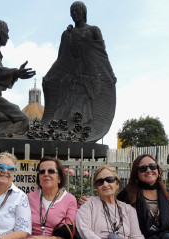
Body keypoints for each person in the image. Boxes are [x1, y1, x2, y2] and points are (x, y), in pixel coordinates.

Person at [41, 1, 116, 142]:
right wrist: (50, 75)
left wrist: (110, 74)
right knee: (65, 108)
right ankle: (67, 135)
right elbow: (61, 58)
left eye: (78, 11)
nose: (75, 14)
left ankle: (81, 133)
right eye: (73, 12)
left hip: (89, 75)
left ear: (84, 13)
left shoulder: (93, 30)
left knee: (81, 106)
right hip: (72, 76)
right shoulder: (67, 34)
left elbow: (102, 55)